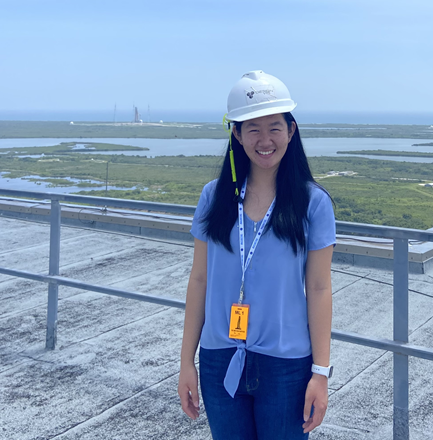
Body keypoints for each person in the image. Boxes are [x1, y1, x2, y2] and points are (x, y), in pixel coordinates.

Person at [178, 70, 335, 440]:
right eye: (253, 129)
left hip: (287, 366)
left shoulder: (313, 203)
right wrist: (187, 361)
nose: (265, 140)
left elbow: (319, 288)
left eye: (275, 128)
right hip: (219, 358)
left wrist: (321, 372)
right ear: (236, 133)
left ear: (291, 131)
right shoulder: (213, 197)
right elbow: (199, 279)